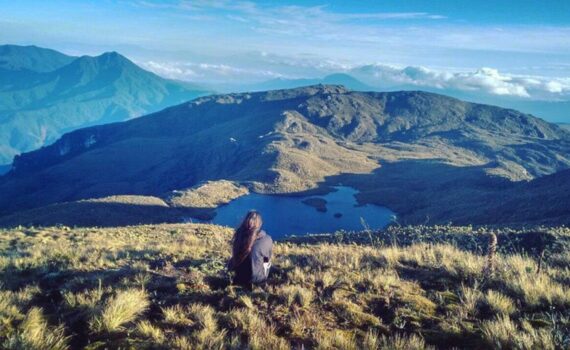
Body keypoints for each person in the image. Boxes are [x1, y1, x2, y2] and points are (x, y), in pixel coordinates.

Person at [227, 210, 273, 288]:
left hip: (239, 278)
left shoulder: (238, 236)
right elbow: (266, 260)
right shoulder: (267, 239)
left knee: (231, 261)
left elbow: (235, 256)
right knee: (267, 263)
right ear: (260, 224)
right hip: (258, 279)